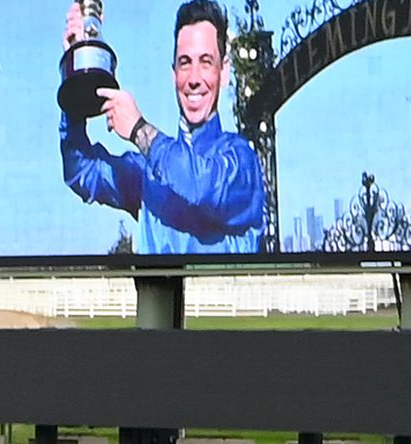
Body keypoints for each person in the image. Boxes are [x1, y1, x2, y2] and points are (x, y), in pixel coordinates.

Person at [59, 0, 268, 256]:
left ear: (223, 72)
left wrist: (139, 130)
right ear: (173, 73)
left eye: (206, 62)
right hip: (155, 296)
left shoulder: (241, 162)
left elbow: (201, 187)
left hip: (224, 296)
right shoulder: (149, 174)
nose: (193, 79)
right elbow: (81, 171)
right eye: (184, 63)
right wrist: (76, 70)